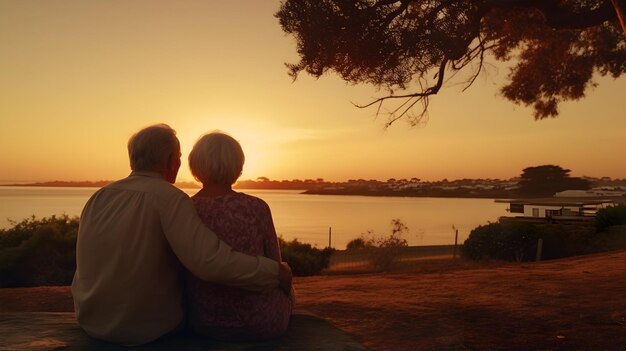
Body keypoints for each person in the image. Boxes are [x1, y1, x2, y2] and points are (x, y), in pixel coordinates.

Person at [71, 124, 292, 346]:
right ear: (169, 161)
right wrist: (275, 272)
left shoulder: (99, 197)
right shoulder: (169, 198)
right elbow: (209, 262)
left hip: (91, 320)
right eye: (178, 157)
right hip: (143, 328)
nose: (179, 163)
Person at [185, 131, 294, 340]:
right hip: (259, 322)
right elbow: (275, 267)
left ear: (195, 166)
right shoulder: (256, 207)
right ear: (239, 166)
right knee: (287, 278)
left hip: (202, 320)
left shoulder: (185, 209)